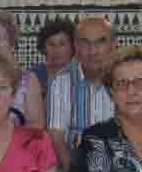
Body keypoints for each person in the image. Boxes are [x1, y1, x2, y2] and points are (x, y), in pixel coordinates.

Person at [46, 16, 116, 150]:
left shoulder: (126, 81)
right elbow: (56, 136)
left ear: (113, 45)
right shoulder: (60, 82)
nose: (93, 51)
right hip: (76, 164)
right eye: (85, 43)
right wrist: (71, 169)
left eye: (100, 42)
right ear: (76, 46)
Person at [30, 17, 76, 125]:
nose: (56, 50)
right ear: (44, 48)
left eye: (62, 44)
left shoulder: (81, 75)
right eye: (51, 44)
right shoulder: (34, 75)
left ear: (73, 47)